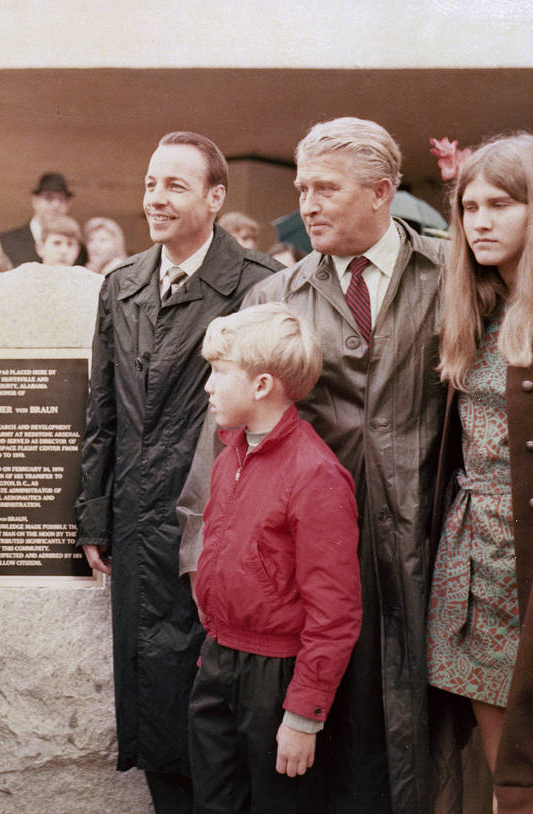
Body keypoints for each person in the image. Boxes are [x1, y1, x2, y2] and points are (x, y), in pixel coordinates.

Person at [179, 117, 448, 813]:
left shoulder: (450, 280)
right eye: (302, 188)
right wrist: (206, 564)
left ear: (381, 192)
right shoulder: (271, 299)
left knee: (412, 747)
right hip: (300, 561)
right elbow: (223, 449)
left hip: (422, 556)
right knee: (305, 764)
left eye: (325, 188)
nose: (308, 204)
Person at [75, 130, 280, 813]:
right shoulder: (121, 284)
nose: (155, 199)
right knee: (154, 707)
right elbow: (101, 409)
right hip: (134, 528)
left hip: (219, 530)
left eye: (175, 186)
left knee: (213, 707)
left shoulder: (257, 286)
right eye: (149, 184)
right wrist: (94, 514)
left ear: (215, 198)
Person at [186, 303, 361, 814]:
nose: (208, 387)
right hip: (218, 661)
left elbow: (336, 611)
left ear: (262, 385)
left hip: (278, 677)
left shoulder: (315, 475)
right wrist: (213, 655)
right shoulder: (228, 457)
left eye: (219, 373)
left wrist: (304, 715)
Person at [426, 133, 533, 812]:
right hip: (474, 564)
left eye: (500, 204)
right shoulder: (476, 311)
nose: (481, 221)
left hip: (528, 561)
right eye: (469, 207)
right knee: (508, 787)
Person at [0, 171, 88, 266]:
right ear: (35, 201)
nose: (55, 205)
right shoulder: (7, 241)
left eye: (62, 200)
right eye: (48, 198)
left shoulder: (79, 249)